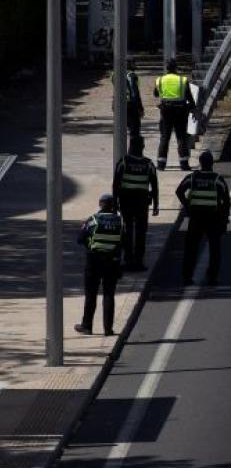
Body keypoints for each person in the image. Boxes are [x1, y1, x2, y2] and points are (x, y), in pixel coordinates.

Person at [176, 151, 231, 287]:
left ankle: (187, 277)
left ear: (200, 163)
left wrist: (187, 206)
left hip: (196, 218)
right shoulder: (218, 179)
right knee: (214, 249)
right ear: (212, 163)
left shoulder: (193, 177)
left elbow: (179, 191)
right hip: (213, 218)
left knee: (191, 248)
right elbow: (226, 201)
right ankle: (212, 277)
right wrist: (224, 220)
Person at [73, 194, 124, 336]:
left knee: (91, 294)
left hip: (93, 261)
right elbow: (124, 243)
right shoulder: (120, 222)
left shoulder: (93, 220)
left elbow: (80, 239)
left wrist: (91, 245)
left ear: (101, 204)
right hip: (112, 261)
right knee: (109, 294)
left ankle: (87, 326)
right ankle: (108, 329)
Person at [112, 137, 159, 271]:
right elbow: (155, 186)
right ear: (142, 147)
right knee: (140, 232)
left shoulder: (123, 162)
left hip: (126, 202)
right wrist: (156, 205)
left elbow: (115, 185)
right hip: (141, 203)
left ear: (130, 146)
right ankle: (138, 261)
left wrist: (115, 204)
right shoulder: (148, 164)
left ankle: (128, 260)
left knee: (127, 231)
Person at [153, 58, 194, 171]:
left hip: (166, 110)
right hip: (181, 110)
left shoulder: (160, 80)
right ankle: (184, 164)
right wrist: (192, 108)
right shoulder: (183, 80)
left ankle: (161, 164)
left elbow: (156, 94)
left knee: (165, 137)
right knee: (181, 137)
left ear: (167, 68)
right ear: (176, 67)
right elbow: (189, 97)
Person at [123, 63, 143, 145]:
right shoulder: (132, 76)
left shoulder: (116, 74)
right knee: (134, 130)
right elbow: (135, 93)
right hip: (131, 105)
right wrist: (140, 107)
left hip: (119, 104)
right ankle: (133, 151)